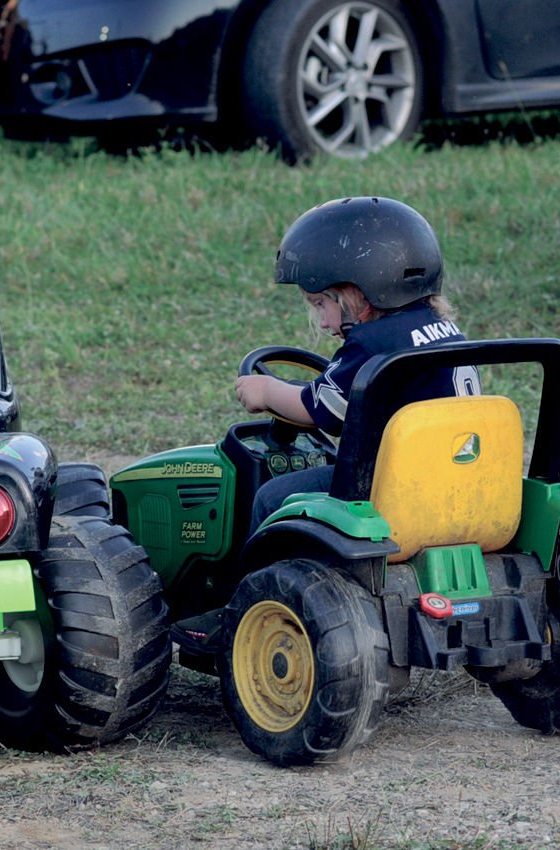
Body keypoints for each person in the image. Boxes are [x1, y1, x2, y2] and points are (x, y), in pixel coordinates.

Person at [173, 196, 479, 657]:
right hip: (452, 481)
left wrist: (265, 392)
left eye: (320, 303)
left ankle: (251, 607)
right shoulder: (442, 330)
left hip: (391, 493)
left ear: (360, 292)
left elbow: (322, 410)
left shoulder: (371, 342)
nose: (319, 319)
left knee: (273, 497)